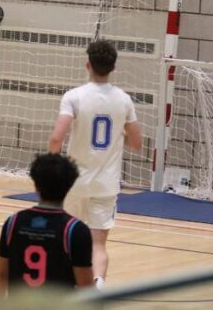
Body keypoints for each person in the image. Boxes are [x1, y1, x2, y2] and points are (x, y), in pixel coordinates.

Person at [48, 39, 141, 290]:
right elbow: (136, 142)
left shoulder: (74, 96)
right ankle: (97, 287)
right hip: (105, 185)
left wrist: (53, 167)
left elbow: (56, 137)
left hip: (74, 182)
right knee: (98, 244)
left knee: (68, 238)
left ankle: (65, 287)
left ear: (87, 64)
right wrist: (120, 135)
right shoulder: (124, 100)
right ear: (113, 68)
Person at [0, 153, 93, 300]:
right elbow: (86, 287)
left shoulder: (13, 222)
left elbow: (1, 275)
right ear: (69, 187)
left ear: (35, 185)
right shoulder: (76, 230)